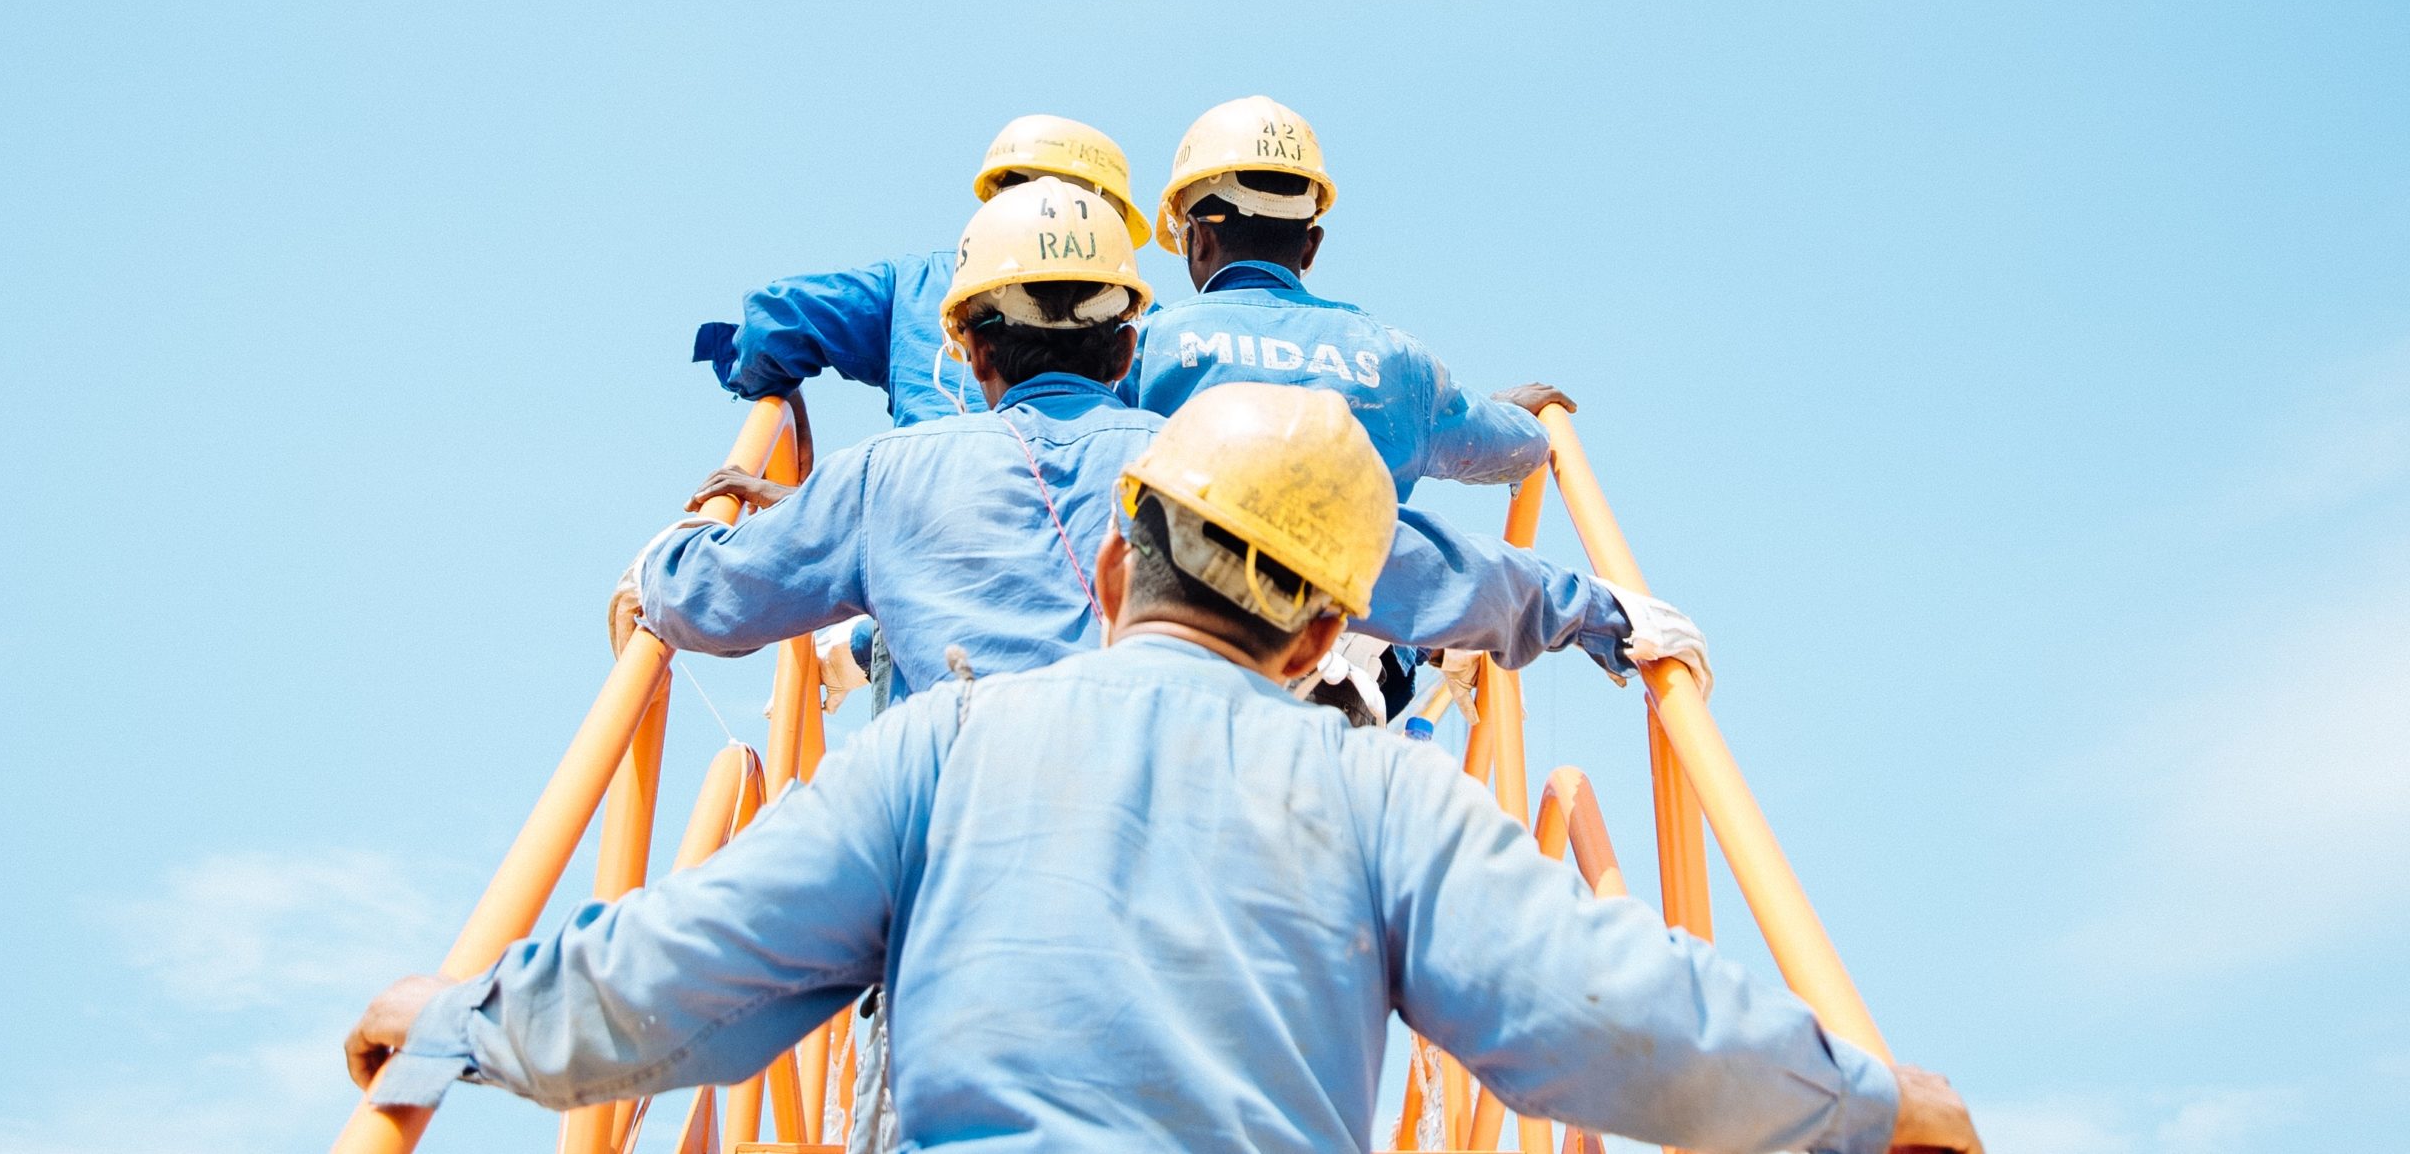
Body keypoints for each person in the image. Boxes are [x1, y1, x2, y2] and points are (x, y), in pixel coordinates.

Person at [348, 383, 1981, 1154]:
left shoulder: (936, 752)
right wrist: (1861, 1101)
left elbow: (687, 973)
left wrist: (450, 1031)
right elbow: (1603, 1008)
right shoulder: (1387, 794)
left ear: (1119, 567)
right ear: (1318, 636)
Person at [610, 179, 1710, 708]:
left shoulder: (882, 479)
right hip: (1179, 873)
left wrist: (678, 548)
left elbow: (709, 602)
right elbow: (1415, 562)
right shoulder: (1214, 465)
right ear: (1127, 328)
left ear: (969, 345)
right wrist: (1597, 611)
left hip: (951, 892)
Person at [1130, 95, 1566, 502]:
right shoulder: (1396, 359)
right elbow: (1515, 448)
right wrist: (1511, 414)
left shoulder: (1148, 347)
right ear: (1311, 244)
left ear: (1199, 239)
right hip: (1358, 584)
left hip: (1186, 580)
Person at [690, 114, 1150, 426]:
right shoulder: (1138, 320)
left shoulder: (912, 288)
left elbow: (773, 323)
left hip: (917, 525)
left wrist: (775, 391)